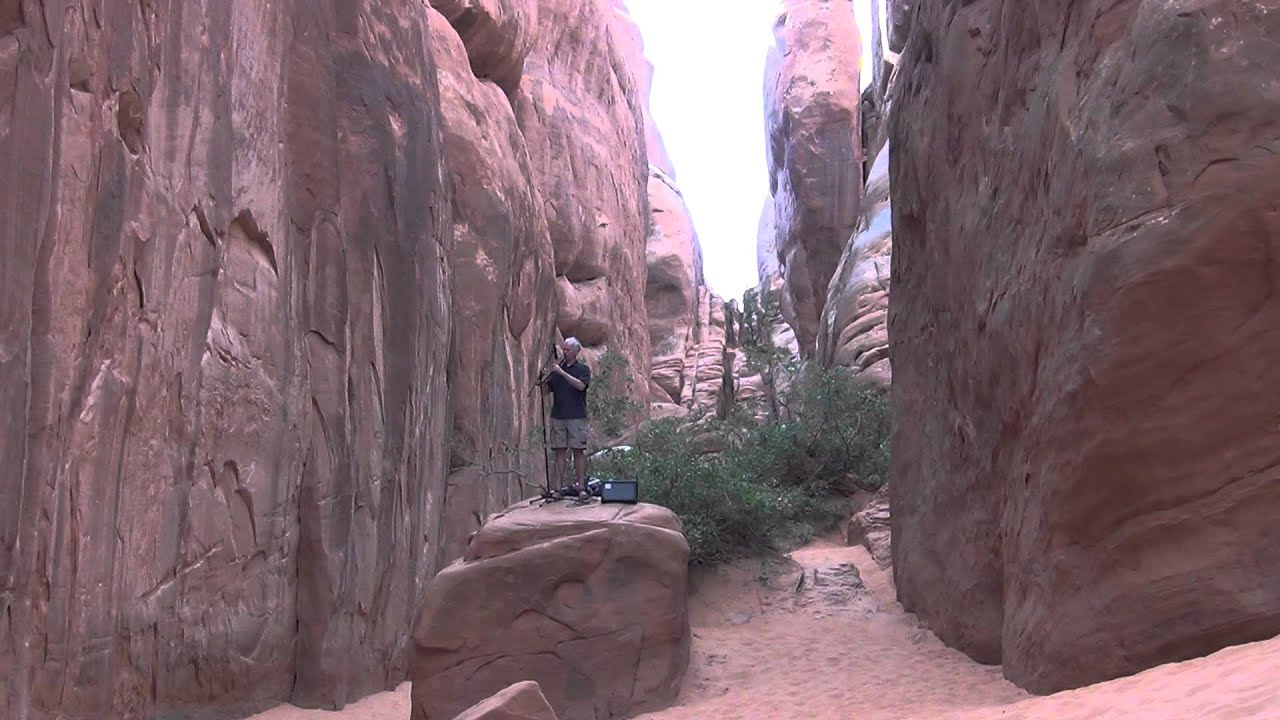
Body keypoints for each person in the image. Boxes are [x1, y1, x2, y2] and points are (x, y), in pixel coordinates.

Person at [541, 337, 592, 489]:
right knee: (559, 453)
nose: (565, 352)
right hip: (558, 416)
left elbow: (581, 386)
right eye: (564, 349)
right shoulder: (557, 371)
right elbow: (545, 392)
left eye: (568, 350)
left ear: (576, 351)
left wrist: (562, 373)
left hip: (576, 416)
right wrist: (542, 379)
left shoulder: (582, 369)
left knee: (578, 451)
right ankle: (557, 489)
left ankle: (581, 487)